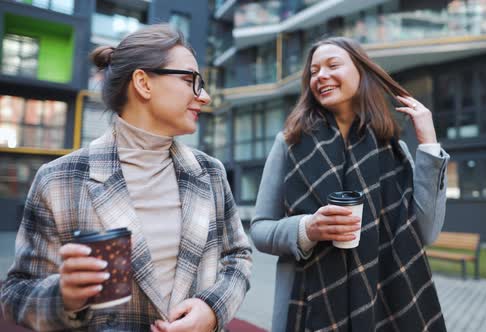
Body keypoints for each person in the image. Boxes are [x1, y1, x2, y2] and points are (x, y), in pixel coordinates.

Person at [0, 24, 252, 332]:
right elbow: (16, 293)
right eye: (190, 81)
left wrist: (212, 309)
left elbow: (237, 257)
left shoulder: (210, 172)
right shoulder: (59, 179)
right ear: (143, 83)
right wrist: (64, 296)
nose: (205, 97)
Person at [250, 36, 449, 331]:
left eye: (333, 65)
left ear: (361, 72)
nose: (321, 76)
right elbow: (260, 229)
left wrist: (429, 145)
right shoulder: (290, 144)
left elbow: (427, 231)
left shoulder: (393, 150)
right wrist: (308, 229)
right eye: (314, 71)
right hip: (309, 311)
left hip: (387, 308)